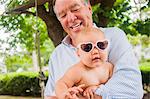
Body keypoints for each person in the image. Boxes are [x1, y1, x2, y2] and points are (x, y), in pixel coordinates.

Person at [44, 0, 143, 98]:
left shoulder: (113, 36)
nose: (71, 18)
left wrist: (95, 92)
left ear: (89, 9)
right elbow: (50, 95)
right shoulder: (57, 54)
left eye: (75, 9)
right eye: (63, 15)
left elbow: (132, 89)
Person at [55, 28, 113, 99]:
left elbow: (115, 85)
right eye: (87, 47)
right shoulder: (77, 71)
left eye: (101, 45)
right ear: (78, 53)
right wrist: (64, 94)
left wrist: (98, 88)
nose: (95, 51)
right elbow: (61, 83)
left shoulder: (109, 68)